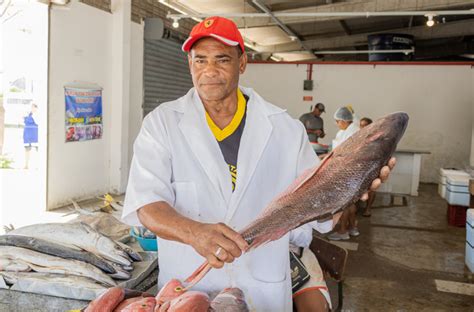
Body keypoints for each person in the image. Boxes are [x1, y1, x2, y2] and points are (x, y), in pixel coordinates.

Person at [122, 17, 394, 311]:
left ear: (242, 63)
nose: (209, 71)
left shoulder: (285, 129)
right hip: (189, 288)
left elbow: (319, 213)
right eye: (200, 60)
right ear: (190, 64)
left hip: (262, 287)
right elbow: (147, 205)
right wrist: (194, 232)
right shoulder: (161, 124)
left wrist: (352, 187)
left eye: (221, 59)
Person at [328, 107, 361, 241]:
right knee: (351, 203)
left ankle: (343, 231)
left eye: (337, 121)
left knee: (344, 203)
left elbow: (342, 152)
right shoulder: (351, 130)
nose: (337, 124)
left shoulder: (350, 133)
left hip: (347, 171)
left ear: (342, 121)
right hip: (353, 172)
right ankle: (352, 228)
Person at [359, 117, 375, 217]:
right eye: (361, 125)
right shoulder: (359, 136)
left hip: (372, 166)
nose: (362, 127)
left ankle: (368, 208)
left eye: (365, 125)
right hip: (361, 167)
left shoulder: (375, 137)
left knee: (372, 189)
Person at [23, 103, 38, 169]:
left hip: (35, 133)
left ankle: (38, 165)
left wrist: (34, 115)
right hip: (27, 133)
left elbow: (38, 122)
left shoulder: (37, 115)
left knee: (37, 149)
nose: (32, 108)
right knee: (27, 149)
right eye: (31, 107)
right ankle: (26, 165)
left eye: (33, 107)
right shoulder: (26, 114)